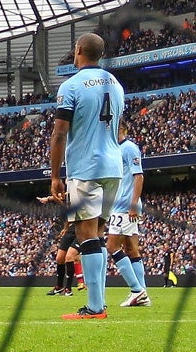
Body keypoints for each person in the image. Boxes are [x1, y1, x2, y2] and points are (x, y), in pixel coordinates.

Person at [50, 32, 124, 320]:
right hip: (113, 166)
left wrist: (56, 176)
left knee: (85, 233)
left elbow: (59, 133)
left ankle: (95, 307)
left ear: (78, 50)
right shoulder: (116, 84)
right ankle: (99, 303)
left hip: (86, 167)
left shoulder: (71, 86)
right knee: (100, 233)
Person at [109, 123, 150, 307]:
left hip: (125, 206)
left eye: (115, 128)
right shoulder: (114, 149)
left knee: (112, 246)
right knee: (131, 249)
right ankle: (143, 294)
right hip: (120, 204)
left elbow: (139, 176)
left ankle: (136, 289)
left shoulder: (129, 148)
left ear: (123, 130)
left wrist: (133, 204)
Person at [36, 195, 80, 296]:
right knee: (59, 258)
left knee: (69, 257)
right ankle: (59, 287)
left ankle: (68, 289)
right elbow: (59, 196)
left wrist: (48, 199)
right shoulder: (68, 194)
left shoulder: (79, 190)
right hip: (71, 228)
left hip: (82, 227)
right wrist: (47, 199)